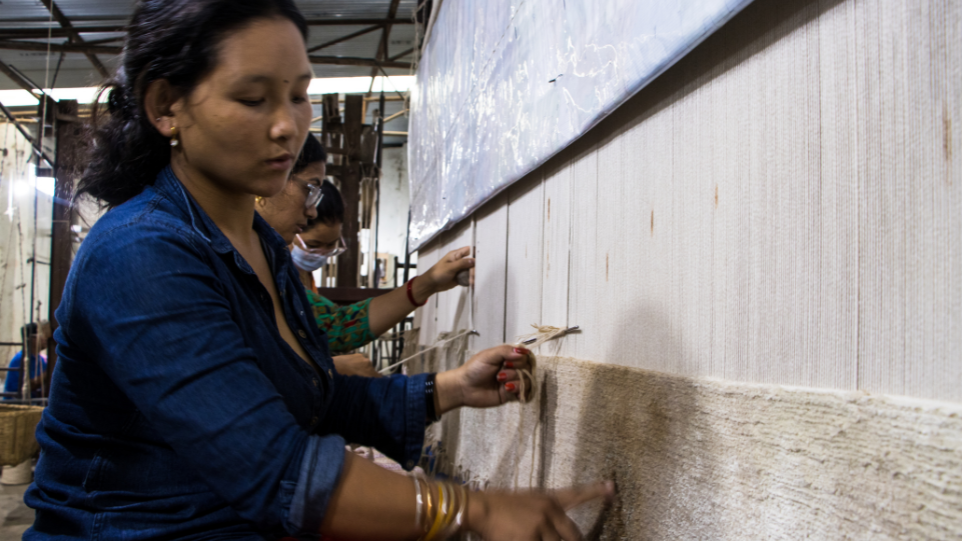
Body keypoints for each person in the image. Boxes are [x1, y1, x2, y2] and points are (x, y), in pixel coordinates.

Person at [25, 1, 612, 539]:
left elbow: (313, 401)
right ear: (165, 107)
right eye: (253, 99)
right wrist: (470, 510)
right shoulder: (139, 254)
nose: (288, 125)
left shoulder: (260, 247)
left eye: (299, 95)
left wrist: (447, 389)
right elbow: (273, 465)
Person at [257, 135, 473, 377]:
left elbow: (335, 326)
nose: (311, 210)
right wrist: (327, 369)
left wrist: (428, 282)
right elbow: (337, 328)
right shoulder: (242, 269)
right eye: (310, 189)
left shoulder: (279, 272)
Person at [2, 322, 48, 400]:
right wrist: (46, 375)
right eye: (41, 335)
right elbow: (23, 388)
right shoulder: (20, 359)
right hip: (16, 404)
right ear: (32, 338)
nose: (45, 338)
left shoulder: (41, 360)